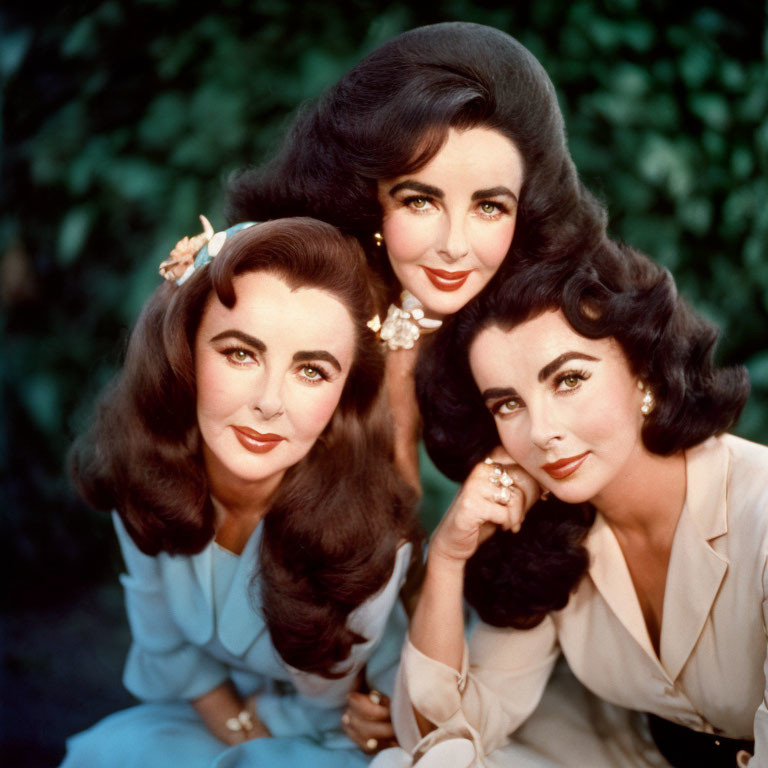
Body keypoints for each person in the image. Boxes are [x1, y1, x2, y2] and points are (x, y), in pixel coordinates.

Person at [377, 243, 763, 767]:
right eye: (508, 404)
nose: (540, 433)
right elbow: (437, 737)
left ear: (644, 370)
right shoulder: (551, 531)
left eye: (569, 380)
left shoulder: (757, 509)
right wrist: (447, 555)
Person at [61, 216, 423, 768]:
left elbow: (326, 707)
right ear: (185, 351)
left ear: (346, 395)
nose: (269, 403)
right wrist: (232, 721)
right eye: (240, 354)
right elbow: (164, 640)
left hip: (342, 738)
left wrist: (255, 734)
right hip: (217, 714)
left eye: (312, 371)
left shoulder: (368, 536)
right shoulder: (143, 472)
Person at [227, 21, 608, 490]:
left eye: (489, 206)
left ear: (525, 210)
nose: (454, 245)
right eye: (420, 201)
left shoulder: (549, 326)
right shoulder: (291, 300)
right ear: (369, 197)